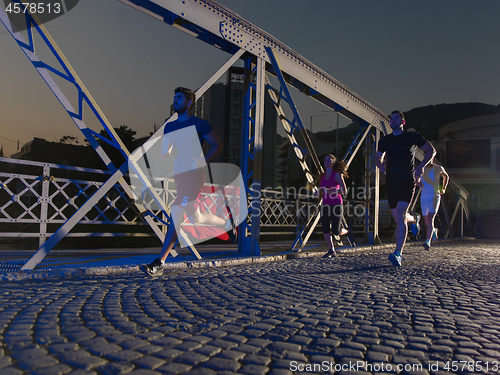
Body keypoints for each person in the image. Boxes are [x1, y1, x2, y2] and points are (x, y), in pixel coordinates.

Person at [141, 87, 236, 276]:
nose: (175, 101)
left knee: (176, 212)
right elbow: (165, 152)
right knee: (196, 217)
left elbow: (218, 144)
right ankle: (226, 224)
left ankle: (159, 262)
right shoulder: (170, 126)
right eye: (174, 97)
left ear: (189, 103)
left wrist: (202, 160)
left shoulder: (200, 124)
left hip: (194, 176)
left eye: (179, 98)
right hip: (179, 176)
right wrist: (163, 150)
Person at [375, 111, 436, 267]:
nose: (393, 120)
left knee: (401, 215)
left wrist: (421, 166)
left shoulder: (412, 137)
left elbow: (431, 150)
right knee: (398, 218)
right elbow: (378, 156)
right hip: (391, 181)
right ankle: (415, 219)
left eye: (396, 118)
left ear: (403, 122)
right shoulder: (384, 140)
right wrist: (380, 164)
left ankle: (398, 253)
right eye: (391, 118)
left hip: (407, 180)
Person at [315, 154, 356, 258]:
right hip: (325, 204)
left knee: (336, 231)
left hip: (336, 204)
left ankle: (347, 231)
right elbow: (322, 190)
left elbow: (344, 190)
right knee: (324, 227)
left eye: (329, 160)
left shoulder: (337, 174)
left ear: (333, 162)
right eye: (325, 160)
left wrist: (330, 191)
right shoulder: (322, 176)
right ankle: (331, 250)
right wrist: (318, 193)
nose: (327, 162)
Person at [417, 161, 449, 250]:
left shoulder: (438, 168)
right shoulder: (421, 168)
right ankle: (433, 230)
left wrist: (443, 188)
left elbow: (446, 176)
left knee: (431, 218)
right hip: (424, 196)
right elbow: (417, 178)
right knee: (427, 220)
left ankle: (428, 241)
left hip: (434, 195)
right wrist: (418, 183)